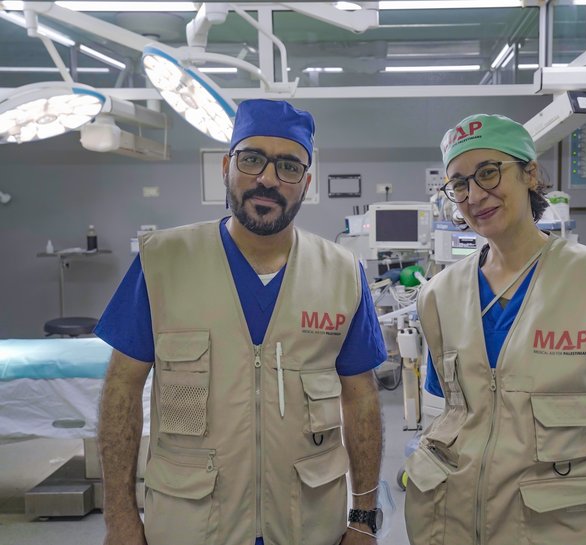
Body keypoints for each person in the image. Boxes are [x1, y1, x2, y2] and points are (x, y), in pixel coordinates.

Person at [97, 99, 386, 545]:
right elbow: (122, 388)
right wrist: (119, 517)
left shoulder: (342, 273)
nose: (267, 179)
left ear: (306, 183)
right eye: (252, 159)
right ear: (227, 166)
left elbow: (362, 396)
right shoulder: (163, 262)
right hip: (189, 524)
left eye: (289, 166)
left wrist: (363, 516)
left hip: (307, 523)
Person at [404, 114, 586, 545]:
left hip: (556, 526)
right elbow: (447, 411)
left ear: (530, 173)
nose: (475, 195)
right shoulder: (439, 294)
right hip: (453, 521)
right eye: (459, 184)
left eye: (488, 173)